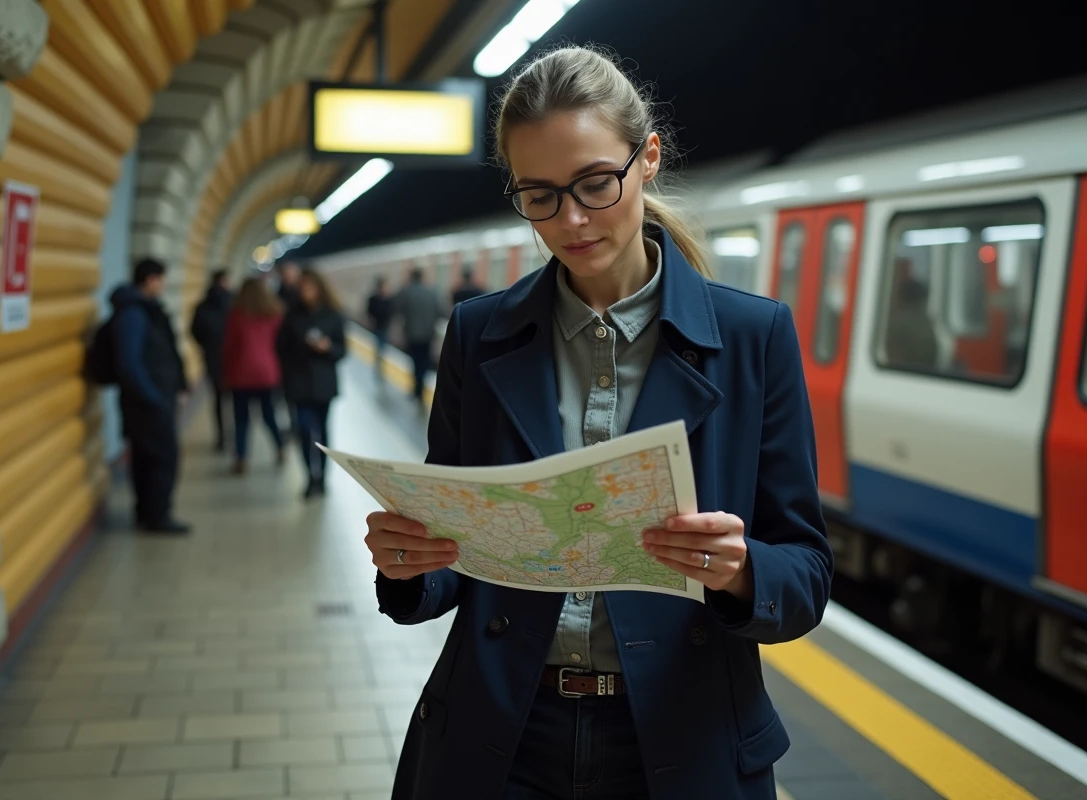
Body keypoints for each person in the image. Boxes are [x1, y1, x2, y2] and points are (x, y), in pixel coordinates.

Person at [363, 46, 832, 800]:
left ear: (647, 157)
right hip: (503, 734)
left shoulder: (753, 337)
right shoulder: (480, 334)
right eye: (539, 195)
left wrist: (743, 571)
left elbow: (805, 574)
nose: (571, 220)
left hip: (681, 733)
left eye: (594, 183)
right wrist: (409, 563)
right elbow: (458, 554)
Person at [112, 258, 190, 534]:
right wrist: (154, 397)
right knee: (162, 459)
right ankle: (158, 517)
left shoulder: (146, 311)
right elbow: (129, 362)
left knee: (146, 458)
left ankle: (147, 513)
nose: (163, 285)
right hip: (147, 403)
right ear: (150, 280)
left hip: (149, 399)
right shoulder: (135, 314)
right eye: (161, 279)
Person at [276, 267, 347, 498]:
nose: (305, 291)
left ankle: (323, 477)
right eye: (302, 286)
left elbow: (342, 350)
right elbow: (280, 348)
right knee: (305, 429)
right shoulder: (291, 315)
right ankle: (310, 476)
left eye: (309, 286)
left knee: (324, 431)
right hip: (299, 382)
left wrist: (327, 348)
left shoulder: (333, 314)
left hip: (324, 383)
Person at [222, 277, 286, 475]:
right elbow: (282, 346)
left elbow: (229, 347)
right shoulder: (275, 314)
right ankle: (280, 447)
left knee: (241, 419)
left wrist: (225, 374)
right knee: (269, 416)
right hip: (267, 374)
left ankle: (241, 459)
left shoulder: (237, 315)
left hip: (241, 375)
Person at [190, 269, 233, 451]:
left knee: (217, 399)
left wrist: (206, 346)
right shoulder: (233, 302)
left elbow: (194, 331)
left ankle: (222, 436)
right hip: (233, 358)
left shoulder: (203, 305)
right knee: (235, 398)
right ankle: (234, 435)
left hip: (213, 357)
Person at [391, 267, 441, 401]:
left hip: (411, 333)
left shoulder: (406, 292)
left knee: (415, 361)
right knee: (424, 360)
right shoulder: (432, 292)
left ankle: (417, 387)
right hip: (428, 333)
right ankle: (420, 387)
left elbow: (396, 307)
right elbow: (441, 311)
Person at [366, 276, 394, 376]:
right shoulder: (373, 299)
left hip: (385, 326)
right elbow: (369, 313)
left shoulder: (389, 299)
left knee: (383, 347)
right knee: (379, 347)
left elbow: (392, 313)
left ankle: (381, 365)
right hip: (377, 326)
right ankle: (379, 367)